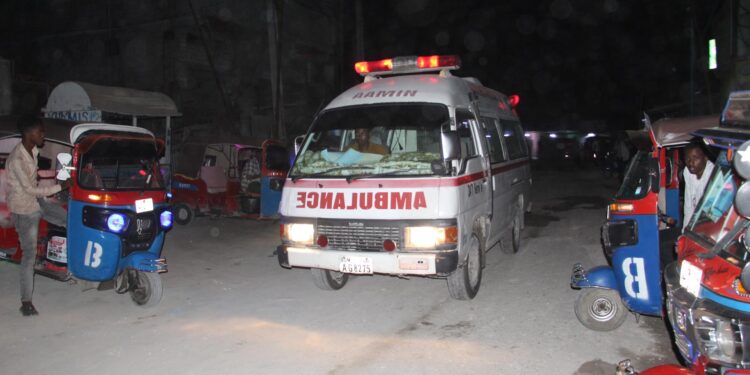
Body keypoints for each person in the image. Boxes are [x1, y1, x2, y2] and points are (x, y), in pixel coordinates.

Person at [7, 115, 69, 316]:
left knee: (69, 220)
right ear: (29, 133)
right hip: (24, 209)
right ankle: (26, 302)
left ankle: (66, 263)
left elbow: (34, 181)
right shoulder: (17, 159)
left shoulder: (32, 150)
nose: (43, 135)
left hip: (36, 202)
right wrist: (59, 186)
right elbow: (29, 190)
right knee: (29, 255)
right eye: (40, 132)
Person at [682, 142, 714, 230]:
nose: (690, 162)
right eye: (687, 158)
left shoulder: (713, 174)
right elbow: (689, 206)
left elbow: (710, 212)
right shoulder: (687, 172)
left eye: (695, 158)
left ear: (706, 158)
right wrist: (684, 232)